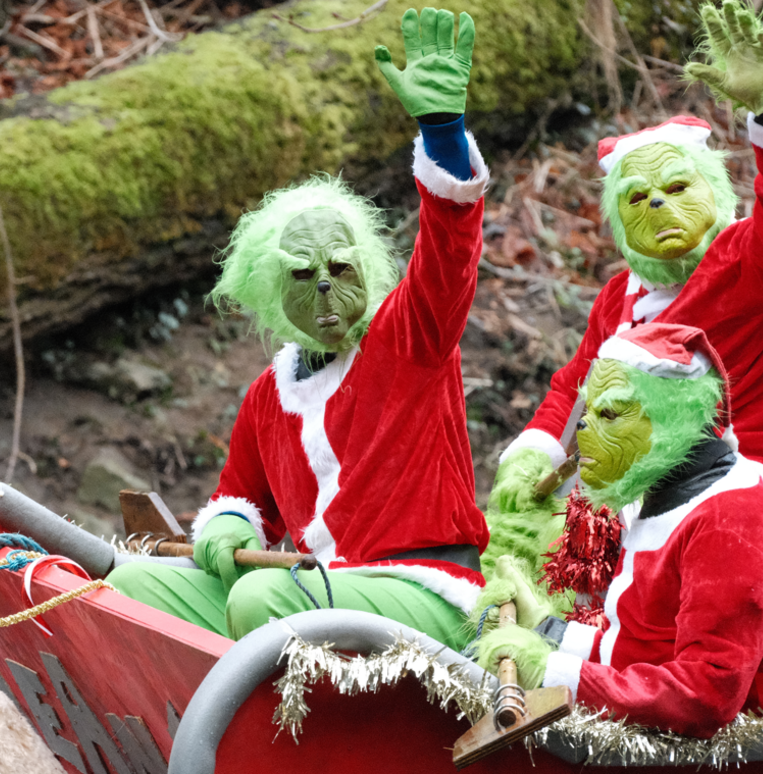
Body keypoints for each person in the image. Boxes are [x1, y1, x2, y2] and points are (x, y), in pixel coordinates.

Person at [109, 7, 489, 647]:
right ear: (265, 290)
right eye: (301, 274)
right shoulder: (267, 396)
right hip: (314, 589)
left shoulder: (410, 336)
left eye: (339, 267)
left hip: (429, 594)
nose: (323, 286)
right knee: (134, 589)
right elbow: (240, 498)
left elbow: (450, 250)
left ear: (366, 265)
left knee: (262, 599)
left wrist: (443, 130)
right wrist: (230, 527)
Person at [485, 0, 763, 577]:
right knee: (515, 555)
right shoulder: (619, 296)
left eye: (677, 187)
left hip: (760, 487)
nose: (660, 205)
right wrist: (533, 455)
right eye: (638, 198)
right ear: (619, 222)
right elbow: (573, 390)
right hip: (639, 499)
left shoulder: (756, 257)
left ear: (716, 192)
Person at [474, 323, 763, 738]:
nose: (583, 430)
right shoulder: (665, 494)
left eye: (609, 415)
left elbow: (706, 695)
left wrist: (550, 671)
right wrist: (550, 631)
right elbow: (642, 648)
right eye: (587, 412)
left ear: (673, 422)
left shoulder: (732, 523)